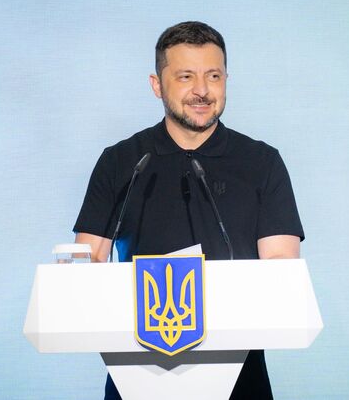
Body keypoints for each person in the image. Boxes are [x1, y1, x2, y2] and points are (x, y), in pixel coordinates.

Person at [73, 21, 304, 400]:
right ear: (157, 85)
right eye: (185, 76)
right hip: (138, 374)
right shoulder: (123, 162)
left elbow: (281, 268)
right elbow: (87, 261)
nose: (202, 90)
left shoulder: (261, 162)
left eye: (213, 76)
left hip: (239, 377)